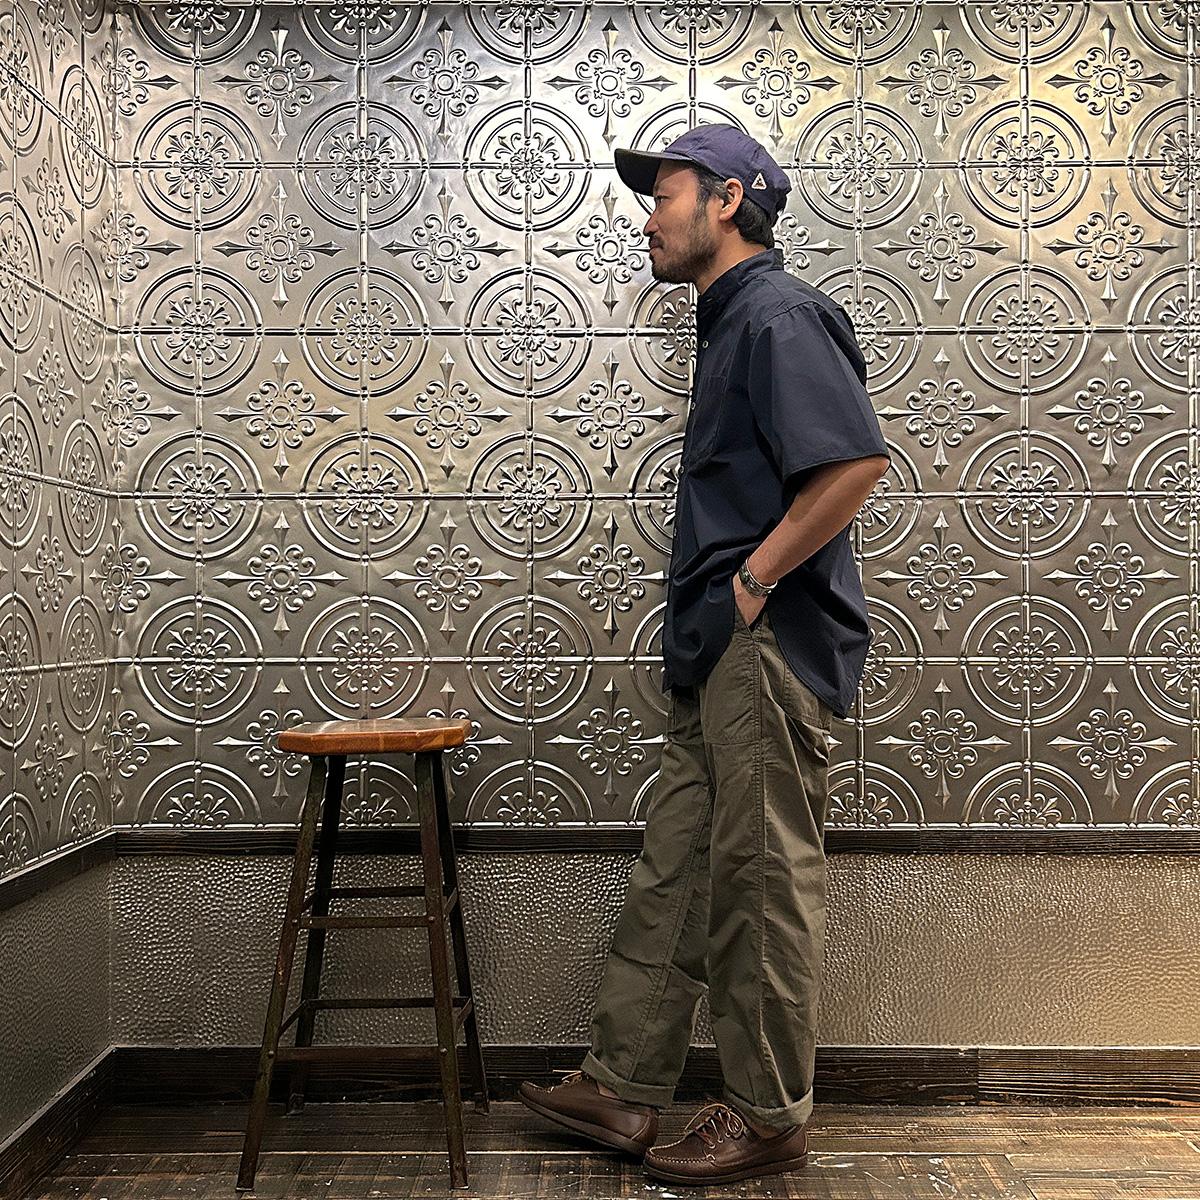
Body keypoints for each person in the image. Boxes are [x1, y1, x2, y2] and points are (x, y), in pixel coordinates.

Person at [518, 123, 891, 1186]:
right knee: (678, 867)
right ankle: (623, 1086)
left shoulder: (779, 315)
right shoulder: (731, 323)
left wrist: (756, 581)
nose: (649, 218)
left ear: (727, 200)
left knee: (758, 882)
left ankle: (768, 1117)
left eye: (665, 195)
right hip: (715, 648)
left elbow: (854, 463)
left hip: (765, 647)